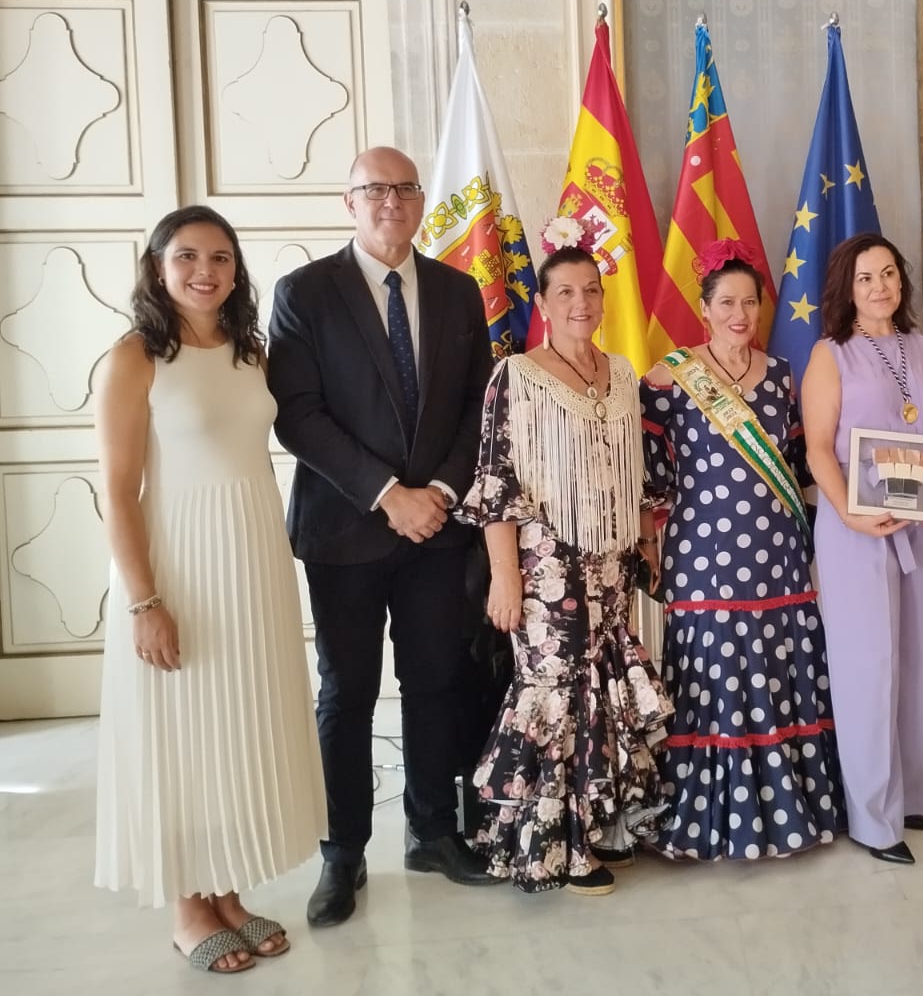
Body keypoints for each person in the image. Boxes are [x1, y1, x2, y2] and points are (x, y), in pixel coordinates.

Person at [267, 146, 500, 928]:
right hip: (346, 530)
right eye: (375, 190)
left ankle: (433, 830)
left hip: (438, 528)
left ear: (420, 199)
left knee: (437, 681)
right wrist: (385, 494)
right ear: (350, 201)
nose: (391, 203)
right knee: (348, 693)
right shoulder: (304, 293)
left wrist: (434, 492)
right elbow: (299, 415)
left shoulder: (459, 291)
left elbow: (480, 407)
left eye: (404, 190)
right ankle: (345, 851)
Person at [94, 206, 323, 973]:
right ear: (157, 266)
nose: (206, 271)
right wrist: (144, 601)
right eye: (187, 256)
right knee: (185, 725)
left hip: (252, 558)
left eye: (221, 257)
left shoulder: (247, 351)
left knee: (239, 721)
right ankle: (188, 905)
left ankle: (225, 887)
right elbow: (119, 491)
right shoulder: (134, 357)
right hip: (180, 563)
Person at [460, 223, 673, 895]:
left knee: (603, 689)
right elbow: (496, 485)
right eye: (564, 292)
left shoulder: (621, 375)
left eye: (590, 290)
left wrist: (646, 545)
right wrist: (505, 576)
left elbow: (636, 475)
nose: (580, 302)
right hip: (546, 568)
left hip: (609, 563)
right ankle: (558, 848)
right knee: (556, 697)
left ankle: (603, 824)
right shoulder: (516, 377)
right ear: (544, 304)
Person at [641, 239, 843, 860]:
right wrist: (651, 547)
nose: (739, 314)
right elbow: (652, 481)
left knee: (783, 673)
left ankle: (793, 813)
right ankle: (711, 821)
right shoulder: (668, 378)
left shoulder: (782, 375)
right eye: (725, 302)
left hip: (778, 551)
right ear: (704, 309)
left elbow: (803, 465)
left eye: (749, 303)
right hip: (702, 552)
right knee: (715, 677)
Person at [801, 233, 923, 865]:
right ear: (848, 288)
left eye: (889, 274)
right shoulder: (829, 354)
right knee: (869, 667)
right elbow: (817, 448)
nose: (879, 287)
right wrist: (850, 511)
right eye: (865, 278)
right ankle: (873, 818)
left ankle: (912, 796)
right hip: (856, 529)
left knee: (920, 659)